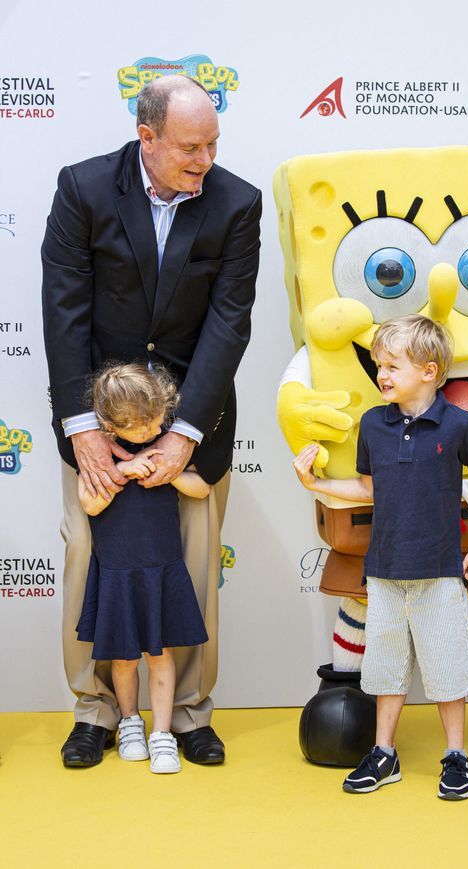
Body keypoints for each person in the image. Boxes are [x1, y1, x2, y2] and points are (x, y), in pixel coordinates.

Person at [42, 74, 261, 767]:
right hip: (98, 418)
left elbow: (229, 323)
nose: (205, 159)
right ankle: (96, 710)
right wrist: (82, 427)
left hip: (195, 425)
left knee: (192, 565)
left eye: (213, 144)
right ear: (148, 137)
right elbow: (64, 311)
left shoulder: (238, 203)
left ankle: (189, 714)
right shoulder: (83, 188)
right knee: (86, 560)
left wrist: (184, 430)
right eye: (190, 147)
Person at [293, 314, 468, 799]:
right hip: (384, 571)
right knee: (384, 668)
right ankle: (385, 753)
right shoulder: (372, 424)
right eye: (377, 364)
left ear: (429, 371)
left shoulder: (459, 423)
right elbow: (368, 486)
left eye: (392, 365)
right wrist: (316, 484)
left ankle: (455, 756)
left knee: (448, 670)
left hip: (441, 569)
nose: (381, 374)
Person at [76, 363, 210, 773]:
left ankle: (163, 733)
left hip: (160, 570)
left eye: (158, 420)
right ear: (111, 424)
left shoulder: (162, 450)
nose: (153, 431)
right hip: (118, 572)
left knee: (160, 654)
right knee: (123, 659)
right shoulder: (100, 464)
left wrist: (168, 473)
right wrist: (121, 471)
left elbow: (201, 488)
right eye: (142, 427)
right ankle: (131, 722)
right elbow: (90, 503)